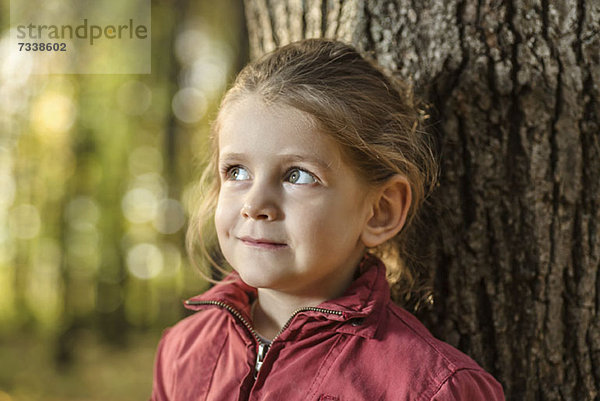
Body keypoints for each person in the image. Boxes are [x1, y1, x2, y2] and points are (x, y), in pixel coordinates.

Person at [151, 38, 505, 400]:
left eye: (298, 176)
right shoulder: (182, 351)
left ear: (381, 210)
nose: (255, 204)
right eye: (237, 171)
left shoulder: (432, 388)